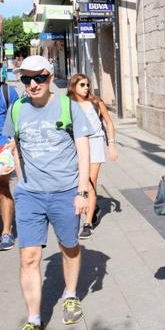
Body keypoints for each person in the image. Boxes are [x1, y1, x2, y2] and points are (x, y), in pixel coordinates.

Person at [4, 55, 94, 330]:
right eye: (27, 78)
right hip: (30, 194)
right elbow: (15, 145)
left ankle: (69, 294)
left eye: (39, 77)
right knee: (28, 257)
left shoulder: (68, 107)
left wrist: (82, 192)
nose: (33, 84)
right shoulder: (17, 109)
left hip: (65, 192)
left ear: (51, 77)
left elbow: (83, 152)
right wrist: (21, 184)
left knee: (68, 247)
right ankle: (33, 318)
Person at [67, 74, 118, 239]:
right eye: (82, 85)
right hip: (76, 145)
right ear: (73, 86)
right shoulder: (68, 104)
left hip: (95, 143)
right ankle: (92, 206)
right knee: (78, 182)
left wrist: (111, 144)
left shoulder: (96, 102)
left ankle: (87, 224)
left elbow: (109, 123)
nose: (86, 87)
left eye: (87, 84)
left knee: (90, 182)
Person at [0, 75, 19, 250]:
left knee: (3, 189)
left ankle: (6, 231)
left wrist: (15, 141)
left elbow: (19, 117)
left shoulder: (7, 92)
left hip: (2, 148)